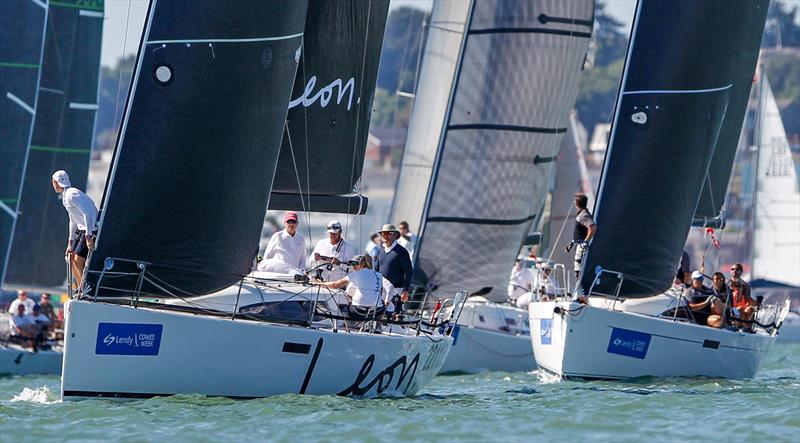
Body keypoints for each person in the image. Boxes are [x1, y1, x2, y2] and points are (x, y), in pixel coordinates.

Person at [52, 170, 98, 288]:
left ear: (56, 183)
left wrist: (88, 236)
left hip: (90, 229)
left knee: (78, 260)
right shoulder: (65, 196)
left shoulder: (72, 194)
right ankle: (81, 288)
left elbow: (87, 213)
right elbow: (73, 220)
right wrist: (70, 243)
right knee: (70, 257)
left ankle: (86, 288)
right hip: (82, 230)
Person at [314, 255, 391, 321]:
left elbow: (335, 285)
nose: (353, 267)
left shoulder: (355, 274)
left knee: (344, 304)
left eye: (355, 264)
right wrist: (386, 302)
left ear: (362, 264)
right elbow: (390, 287)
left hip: (358, 312)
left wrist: (319, 283)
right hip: (377, 313)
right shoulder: (379, 275)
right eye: (351, 264)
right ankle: (374, 325)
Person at [374, 224, 412, 303]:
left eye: (388, 233)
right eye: (383, 233)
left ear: (394, 235)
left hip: (396, 292)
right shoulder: (380, 251)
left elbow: (408, 272)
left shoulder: (402, 252)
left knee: (393, 315)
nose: (384, 235)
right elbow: (376, 271)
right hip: (380, 292)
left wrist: (405, 291)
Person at [569, 193, 596, 278]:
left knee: (579, 272)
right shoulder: (582, 214)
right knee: (578, 272)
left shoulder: (584, 214)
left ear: (577, 204)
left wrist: (585, 242)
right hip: (579, 247)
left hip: (581, 249)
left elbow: (593, 227)